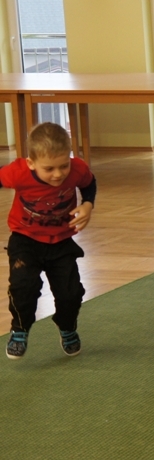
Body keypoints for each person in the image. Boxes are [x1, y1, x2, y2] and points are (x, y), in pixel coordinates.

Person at [3, 123, 96, 360]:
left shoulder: (77, 169)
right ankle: (20, 329)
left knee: (70, 293)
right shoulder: (18, 172)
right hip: (25, 239)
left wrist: (87, 204)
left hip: (61, 241)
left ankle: (67, 327)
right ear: (31, 163)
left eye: (64, 165)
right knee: (23, 287)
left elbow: (89, 183)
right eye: (49, 168)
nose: (58, 174)